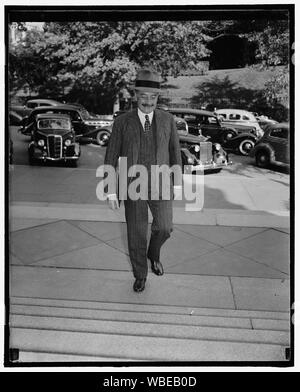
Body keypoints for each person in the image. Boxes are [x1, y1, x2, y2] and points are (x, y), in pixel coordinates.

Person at [104, 67, 182, 293]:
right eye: (144, 96)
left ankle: (153, 253)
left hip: (161, 184)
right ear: (136, 96)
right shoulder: (122, 122)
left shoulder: (168, 120)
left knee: (165, 227)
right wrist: (110, 190)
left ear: (158, 97)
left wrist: (176, 182)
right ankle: (140, 275)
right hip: (132, 186)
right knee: (136, 234)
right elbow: (110, 157)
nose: (148, 101)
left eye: (153, 97)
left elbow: (175, 152)